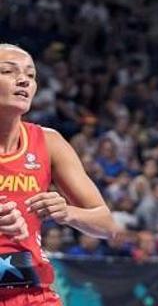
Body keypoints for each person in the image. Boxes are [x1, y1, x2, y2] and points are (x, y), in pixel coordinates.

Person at [0, 43, 121, 305]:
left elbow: (107, 225)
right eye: (8, 71)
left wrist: (67, 212)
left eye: (31, 75)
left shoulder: (49, 142)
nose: (23, 80)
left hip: (31, 293)